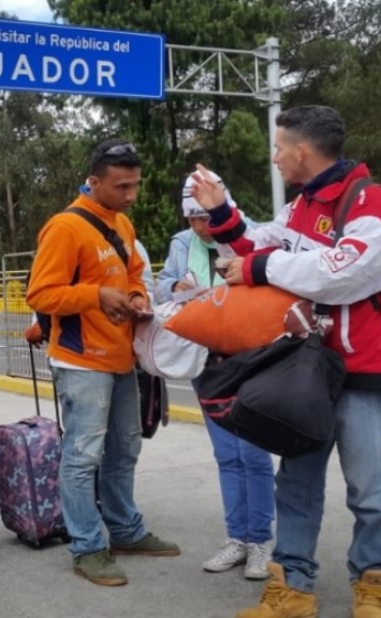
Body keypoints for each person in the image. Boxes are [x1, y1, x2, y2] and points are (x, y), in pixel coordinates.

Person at [190, 106, 381, 618]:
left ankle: (372, 585)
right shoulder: (301, 207)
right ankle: (291, 590)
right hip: (305, 369)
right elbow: (257, 242)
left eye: (279, 147)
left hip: (361, 372)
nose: (274, 156)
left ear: (303, 151)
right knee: (296, 483)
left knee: (368, 489)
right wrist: (222, 211)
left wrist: (260, 267)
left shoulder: (372, 205)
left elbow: (340, 273)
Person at [26, 139, 180, 588]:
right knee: (82, 455)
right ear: (94, 182)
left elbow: (133, 274)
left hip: (119, 356)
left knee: (125, 448)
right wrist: (96, 295)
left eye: (135, 185)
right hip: (80, 362)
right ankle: (88, 548)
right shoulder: (65, 227)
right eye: (121, 186)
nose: (131, 194)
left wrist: (133, 296)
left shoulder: (123, 224)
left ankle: (126, 530)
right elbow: (40, 294)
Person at [155, 174, 275, 581]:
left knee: (253, 454)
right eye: (192, 221)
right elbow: (160, 287)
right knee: (226, 455)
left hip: (248, 356)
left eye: (206, 220)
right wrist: (175, 283)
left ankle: (259, 540)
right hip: (206, 358)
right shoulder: (181, 243)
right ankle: (236, 538)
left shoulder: (253, 234)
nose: (201, 229)